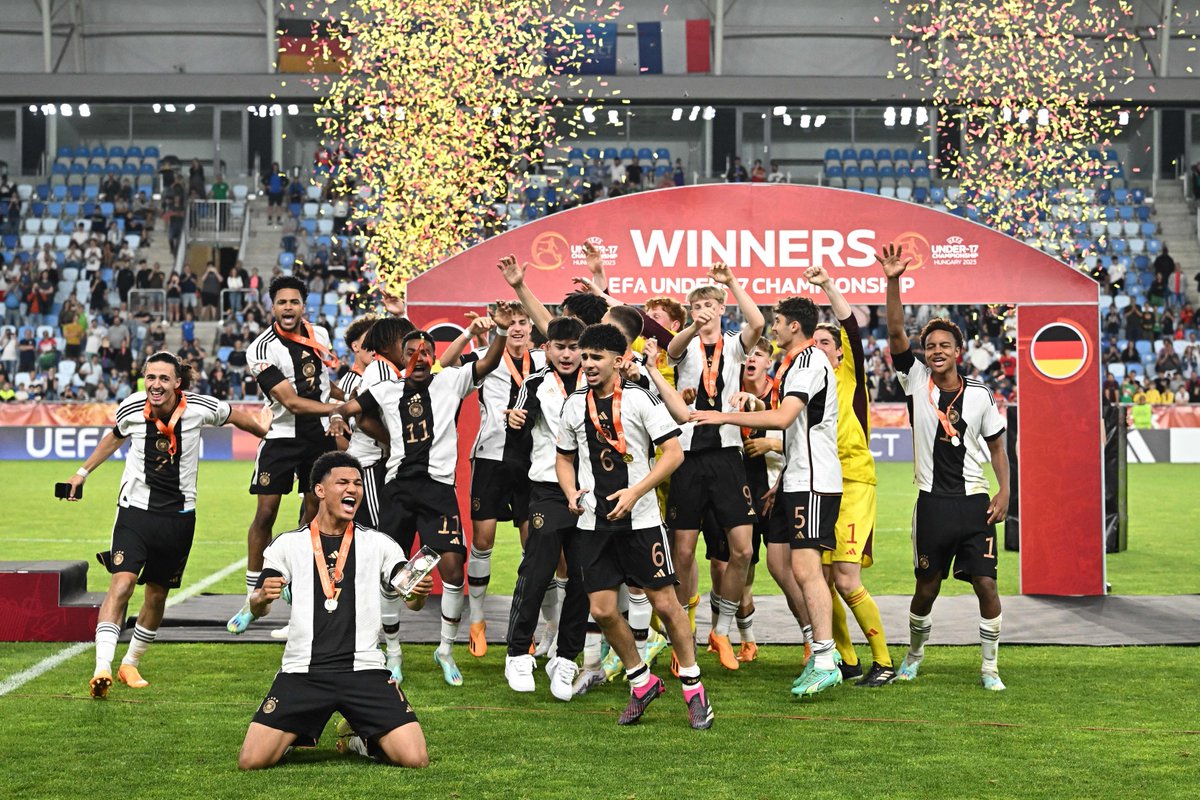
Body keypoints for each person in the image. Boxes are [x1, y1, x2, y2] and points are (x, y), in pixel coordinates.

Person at [329, 302, 516, 686]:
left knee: (451, 567)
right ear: (402, 357)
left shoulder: (450, 381)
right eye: (411, 351)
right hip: (397, 488)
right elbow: (353, 408)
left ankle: (445, 649)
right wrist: (333, 414)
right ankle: (392, 652)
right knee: (389, 571)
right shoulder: (383, 389)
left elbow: (489, 363)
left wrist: (497, 332)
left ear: (433, 358)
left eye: (425, 352)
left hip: (438, 491)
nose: (418, 356)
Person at [62, 351, 267, 698]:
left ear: (177, 383)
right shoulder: (131, 407)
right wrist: (82, 473)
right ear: (144, 378)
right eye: (150, 377)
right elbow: (115, 435)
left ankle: (131, 663)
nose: (156, 385)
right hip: (134, 512)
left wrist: (269, 438)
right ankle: (102, 666)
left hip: (179, 517)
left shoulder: (201, 407)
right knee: (122, 584)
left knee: (156, 596)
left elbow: (238, 416)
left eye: (163, 378)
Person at [555, 323, 713, 729]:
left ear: (618, 361)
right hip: (593, 524)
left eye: (596, 357)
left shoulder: (641, 399)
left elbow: (673, 454)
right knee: (603, 610)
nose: (587, 364)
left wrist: (636, 492)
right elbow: (564, 457)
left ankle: (694, 689)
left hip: (641, 522)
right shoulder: (573, 405)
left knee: (665, 604)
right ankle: (641, 682)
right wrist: (571, 492)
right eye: (584, 356)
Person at [690, 294, 844, 698]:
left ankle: (825, 658)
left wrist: (724, 414)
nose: (773, 327)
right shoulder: (794, 363)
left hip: (813, 480)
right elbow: (783, 412)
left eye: (777, 321)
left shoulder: (809, 362)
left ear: (795, 326)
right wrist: (754, 402)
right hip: (795, 479)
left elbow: (782, 418)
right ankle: (818, 647)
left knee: (808, 571)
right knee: (782, 564)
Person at [237, 452, 432, 770]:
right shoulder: (285, 545)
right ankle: (295, 731)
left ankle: (360, 739)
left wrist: (420, 594)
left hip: (365, 670)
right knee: (251, 761)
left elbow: (411, 601)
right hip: (304, 672)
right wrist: (259, 599)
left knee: (415, 759)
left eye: (357, 483)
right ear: (319, 490)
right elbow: (260, 606)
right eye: (342, 482)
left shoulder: (381, 544)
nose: (353, 489)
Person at [877, 243, 1010, 691]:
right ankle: (914, 655)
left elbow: (998, 447)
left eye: (944, 346)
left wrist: (1005, 491)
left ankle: (989, 667)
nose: (935, 351)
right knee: (926, 589)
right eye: (929, 345)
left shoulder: (980, 394)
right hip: (932, 504)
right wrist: (893, 280)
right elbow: (896, 333)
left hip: (975, 505)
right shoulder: (915, 379)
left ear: (959, 351)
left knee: (986, 587)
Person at [227, 276, 342, 636]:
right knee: (265, 513)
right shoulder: (260, 349)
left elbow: (326, 384)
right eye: (281, 302)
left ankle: (297, 594)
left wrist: (341, 407)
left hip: (317, 438)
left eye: (294, 301)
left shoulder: (320, 335)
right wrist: (341, 408)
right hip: (280, 438)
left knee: (313, 516)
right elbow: (290, 401)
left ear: (304, 304)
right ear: (271, 306)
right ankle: (251, 599)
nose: (288, 308)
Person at [664, 265, 765, 672]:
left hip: (726, 453)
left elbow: (757, 321)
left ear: (723, 308)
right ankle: (682, 632)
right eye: (697, 305)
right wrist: (691, 325)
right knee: (683, 552)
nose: (705, 310)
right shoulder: (685, 344)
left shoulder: (735, 344)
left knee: (742, 549)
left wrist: (733, 284)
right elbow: (671, 351)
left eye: (711, 304)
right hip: (687, 455)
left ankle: (721, 629)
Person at [437, 292, 544, 659]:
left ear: (531, 326)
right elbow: (446, 364)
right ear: (502, 326)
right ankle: (478, 621)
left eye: (522, 322)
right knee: (483, 542)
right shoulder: (488, 358)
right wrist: (470, 331)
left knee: (537, 548)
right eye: (510, 322)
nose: (517, 328)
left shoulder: (544, 360)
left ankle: (528, 626)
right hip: (491, 459)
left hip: (535, 463)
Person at [807, 266, 895, 687]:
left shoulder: (849, 376)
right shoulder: (805, 384)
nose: (820, 347)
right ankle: (847, 660)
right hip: (820, 485)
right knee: (821, 581)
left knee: (845, 577)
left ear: (840, 354)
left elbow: (851, 326)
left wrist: (826, 286)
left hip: (854, 482)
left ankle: (885, 662)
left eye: (826, 343)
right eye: (814, 343)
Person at [504, 316, 591, 699]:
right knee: (538, 570)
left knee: (585, 578)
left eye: (575, 347)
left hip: (591, 491)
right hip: (548, 488)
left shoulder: (601, 381)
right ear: (547, 349)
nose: (568, 354)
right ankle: (517, 652)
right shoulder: (534, 384)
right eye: (561, 346)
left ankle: (566, 658)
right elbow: (516, 427)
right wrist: (514, 420)